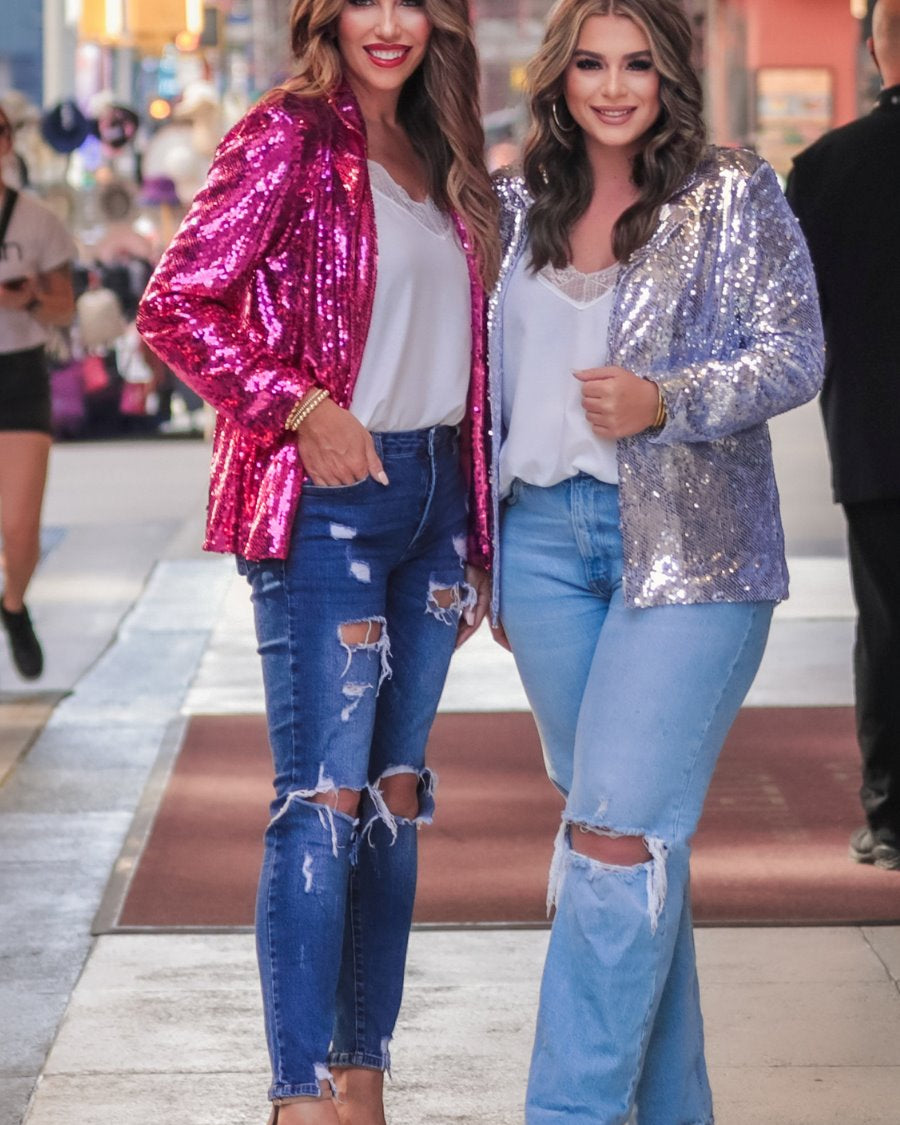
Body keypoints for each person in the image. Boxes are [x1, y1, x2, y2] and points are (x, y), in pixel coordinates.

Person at [137, 1, 498, 1121]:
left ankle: (363, 1077)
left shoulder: (447, 150)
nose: (388, 22)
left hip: (435, 503)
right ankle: (299, 1097)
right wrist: (295, 407)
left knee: (393, 804)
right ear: (325, 13)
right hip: (330, 503)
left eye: (413, 0)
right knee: (323, 804)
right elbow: (177, 305)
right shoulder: (288, 133)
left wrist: (477, 525)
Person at [488, 1, 824, 1120]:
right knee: (626, 859)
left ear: (670, 73)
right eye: (591, 63)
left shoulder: (730, 193)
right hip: (541, 548)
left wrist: (667, 400)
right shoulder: (512, 200)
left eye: (637, 63)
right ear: (560, 75)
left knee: (613, 836)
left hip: (696, 554)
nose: (614, 86)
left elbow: (797, 351)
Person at [786, 0, 900, 874]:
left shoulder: (825, 168)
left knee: (888, 627)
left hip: (875, 438)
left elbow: (798, 322)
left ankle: (892, 816)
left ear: (875, 48)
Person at [0, 101, 76, 679]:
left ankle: (14, 603)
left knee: (21, 527)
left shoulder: (37, 221)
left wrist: (25, 298)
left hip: (19, 374)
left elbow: (65, 308)